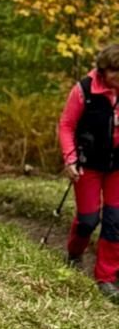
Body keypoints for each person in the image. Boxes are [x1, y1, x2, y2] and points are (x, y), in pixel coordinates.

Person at [58, 44, 119, 300]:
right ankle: (74, 253)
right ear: (103, 70)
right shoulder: (84, 90)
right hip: (89, 164)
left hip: (117, 167)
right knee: (88, 220)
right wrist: (70, 159)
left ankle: (106, 277)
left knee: (115, 221)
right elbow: (66, 125)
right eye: (115, 71)